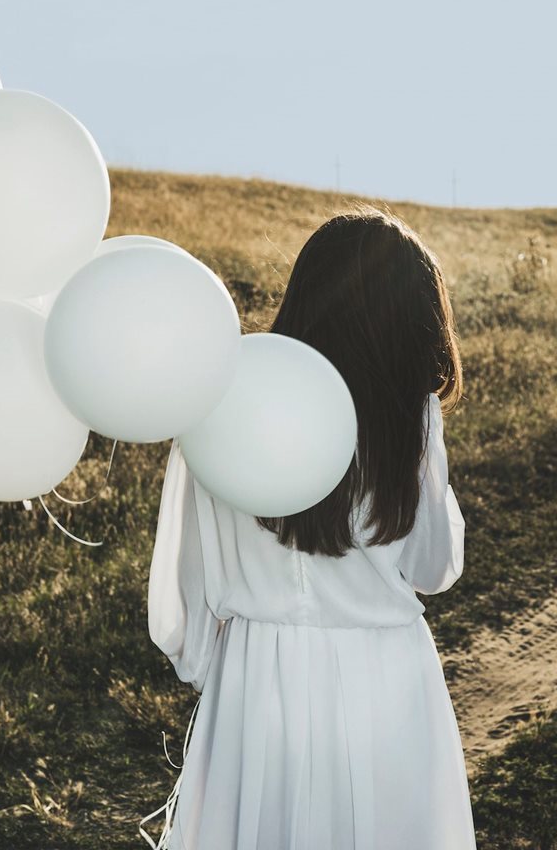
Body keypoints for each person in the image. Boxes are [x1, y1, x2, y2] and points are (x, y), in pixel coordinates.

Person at [145, 205, 475, 849]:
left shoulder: (220, 403)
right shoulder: (413, 417)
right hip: (384, 678)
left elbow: (186, 590)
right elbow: (436, 571)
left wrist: (209, 665)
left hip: (255, 680)